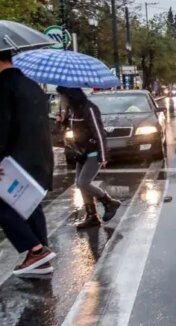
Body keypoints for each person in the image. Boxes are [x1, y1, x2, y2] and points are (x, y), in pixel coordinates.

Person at [0, 50, 57, 276]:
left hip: (16, 158)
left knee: (3, 205)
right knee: (30, 204)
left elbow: (3, 126)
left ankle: (35, 250)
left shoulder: (3, 86)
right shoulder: (31, 84)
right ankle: (41, 257)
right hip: (41, 156)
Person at [57, 86, 121, 228]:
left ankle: (109, 202)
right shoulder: (72, 110)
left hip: (93, 151)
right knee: (80, 184)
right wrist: (63, 121)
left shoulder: (89, 108)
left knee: (83, 182)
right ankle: (92, 216)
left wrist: (103, 155)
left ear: (71, 95)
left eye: (63, 96)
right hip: (81, 152)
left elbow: (99, 132)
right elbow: (71, 129)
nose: (62, 99)